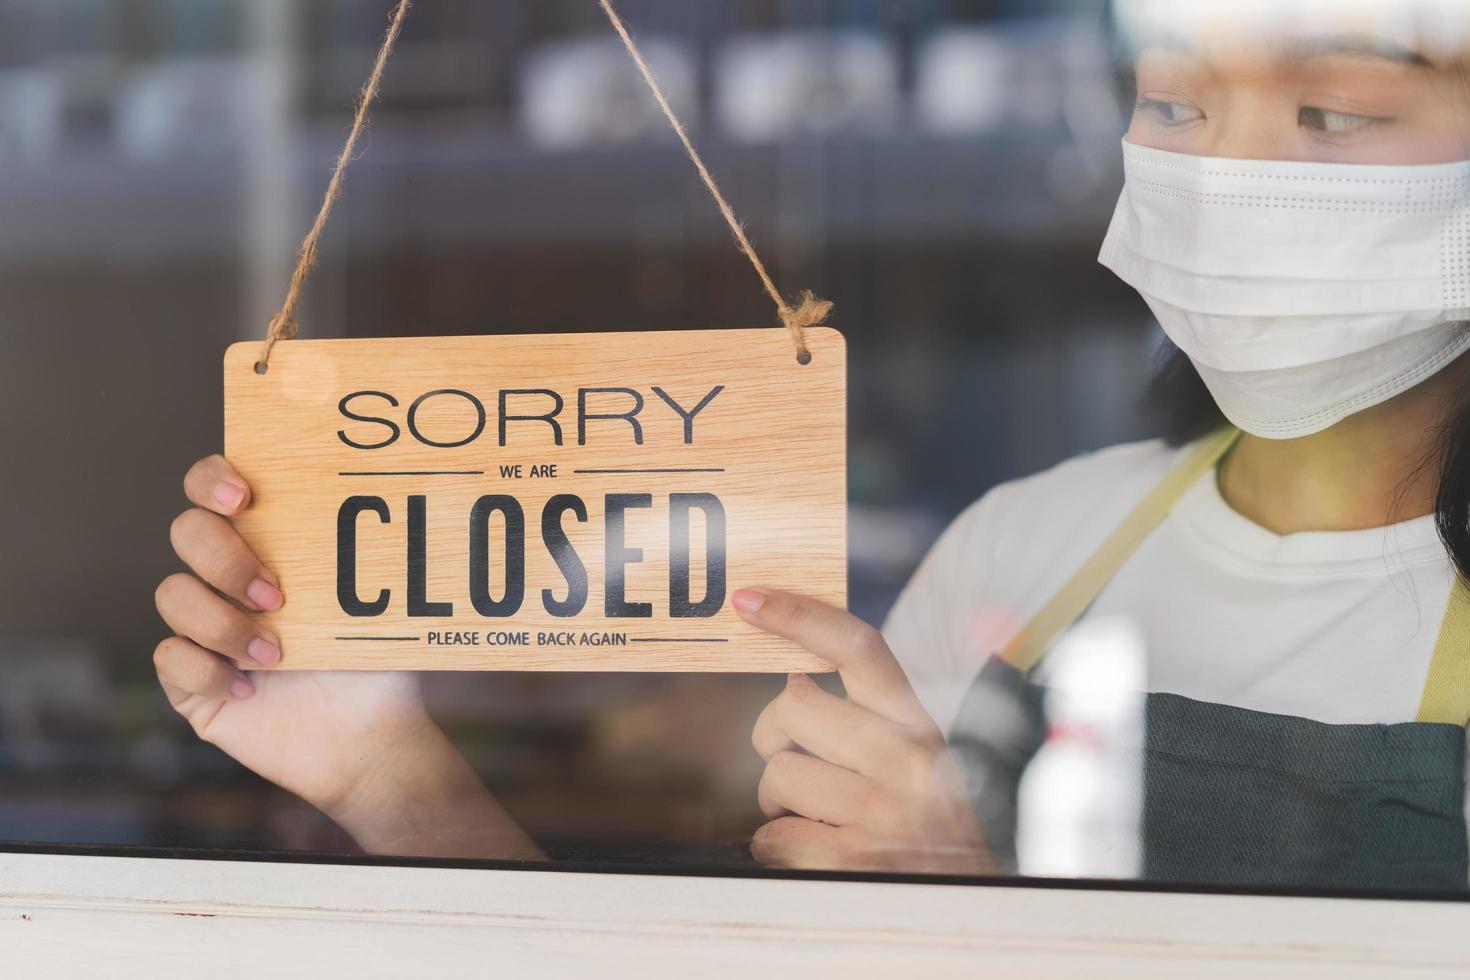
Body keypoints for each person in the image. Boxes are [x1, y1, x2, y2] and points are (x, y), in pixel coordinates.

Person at [154, 0, 1470, 887]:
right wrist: (384, 771)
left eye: (1336, 113)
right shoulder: (1026, 544)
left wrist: (990, 901)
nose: (1228, 176)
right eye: (1175, 109)